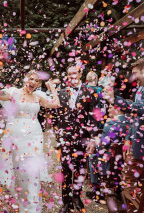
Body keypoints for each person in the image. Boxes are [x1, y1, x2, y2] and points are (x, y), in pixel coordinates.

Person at [0, 70, 60, 213]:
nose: (34, 82)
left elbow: (55, 104)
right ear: (25, 79)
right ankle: (21, 199)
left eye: (37, 81)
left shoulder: (38, 97)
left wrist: (52, 88)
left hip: (35, 135)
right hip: (16, 135)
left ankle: (33, 204)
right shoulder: (13, 93)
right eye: (31, 79)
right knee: (19, 169)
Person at [104, 57, 144, 200]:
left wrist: (116, 100)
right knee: (131, 183)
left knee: (133, 183)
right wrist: (128, 140)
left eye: (135, 73)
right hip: (139, 143)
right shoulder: (143, 88)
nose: (133, 78)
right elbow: (135, 118)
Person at [54, 64, 101, 213]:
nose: (72, 76)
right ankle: (66, 202)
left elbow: (94, 118)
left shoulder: (90, 91)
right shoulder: (61, 93)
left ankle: (76, 197)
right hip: (65, 138)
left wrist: (93, 139)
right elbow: (56, 116)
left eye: (75, 73)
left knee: (80, 169)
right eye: (69, 74)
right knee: (66, 169)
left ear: (80, 74)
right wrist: (58, 135)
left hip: (82, 138)